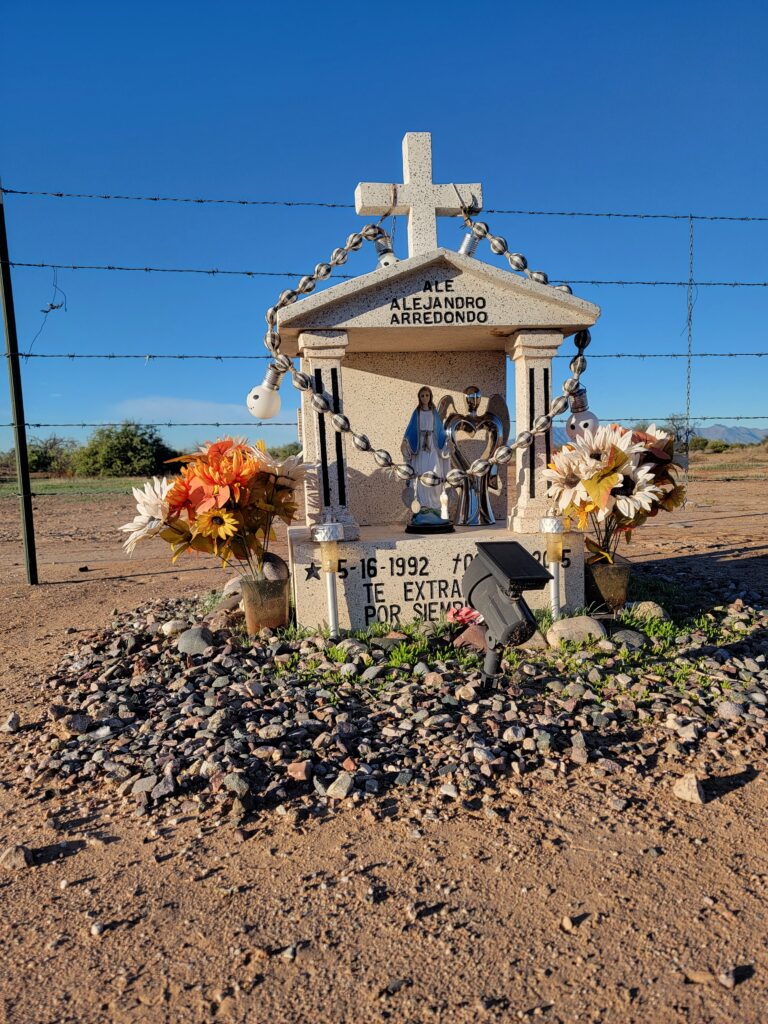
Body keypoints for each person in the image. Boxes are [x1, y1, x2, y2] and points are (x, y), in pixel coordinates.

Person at [402, 386, 453, 533]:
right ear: (419, 397)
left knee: (435, 474)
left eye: (427, 395)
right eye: (422, 396)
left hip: (433, 448)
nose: (425, 398)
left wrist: (446, 443)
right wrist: (405, 442)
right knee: (420, 476)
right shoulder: (416, 413)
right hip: (420, 450)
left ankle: (435, 508)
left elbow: (440, 432)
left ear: (430, 397)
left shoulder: (434, 413)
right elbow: (410, 431)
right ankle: (422, 508)